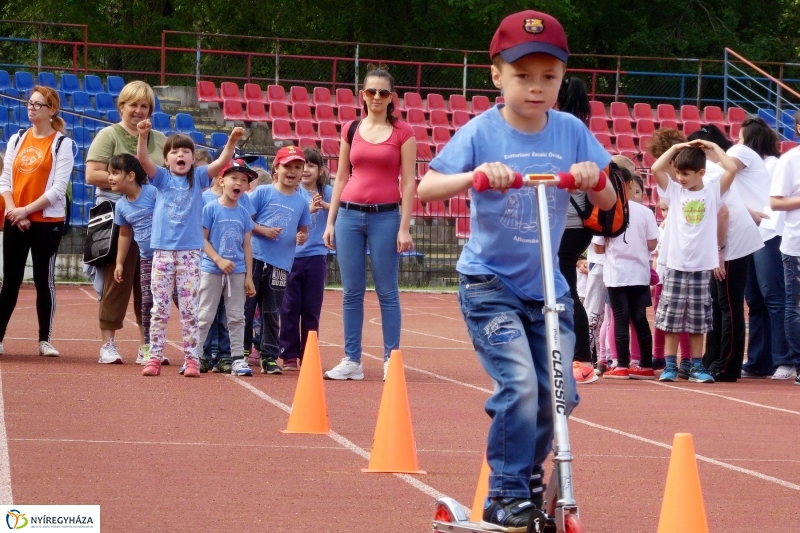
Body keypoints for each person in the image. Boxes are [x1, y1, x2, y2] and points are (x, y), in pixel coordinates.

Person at [417, 10, 616, 530]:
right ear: (496, 75)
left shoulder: (571, 130)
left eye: (548, 77)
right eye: (523, 75)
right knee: (522, 384)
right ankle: (504, 494)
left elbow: (610, 197)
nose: (536, 87)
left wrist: (594, 178)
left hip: (547, 288)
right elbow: (426, 189)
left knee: (560, 392)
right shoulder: (481, 131)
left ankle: (524, 484)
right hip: (490, 284)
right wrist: (476, 175)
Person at [322, 65, 416, 381]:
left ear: (392, 97)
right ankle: (352, 360)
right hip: (348, 215)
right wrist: (330, 222)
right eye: (371, 91)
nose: (377, 97)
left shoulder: (404, 132)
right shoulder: (350, 128)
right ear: (363, 95)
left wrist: (405, 227)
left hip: (386, 216)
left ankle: (391, 358)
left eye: (383, 92)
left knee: (387, 290)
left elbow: (407, 183)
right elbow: (341, 176)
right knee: (351, 291)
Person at [136, 123, 244, 377]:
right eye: (175, 152)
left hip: (190, 254)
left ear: (193, 158)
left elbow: (223, 162)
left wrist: (231, 141)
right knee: (159, 307)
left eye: (186, 151)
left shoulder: (198, 180)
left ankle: (191, 358)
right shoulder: (161, 178)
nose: (180, 155)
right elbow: (142, 158)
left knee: (189, 309)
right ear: (166, 159)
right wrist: (143, 136)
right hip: (162, 252)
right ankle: (154, 356)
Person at [85, 80, 167, 365]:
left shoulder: (160, 138)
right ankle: (108, 344)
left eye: (145, 106)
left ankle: (148, 345)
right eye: (133, 104)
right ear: (122, 106)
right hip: (115, 212)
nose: (138, 110)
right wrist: (125, 179)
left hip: (153, 216)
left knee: (149, 284)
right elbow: (91, 173)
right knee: (115, 279)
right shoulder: (109, 134)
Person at [651, 139, 736, 384]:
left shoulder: (712, 191)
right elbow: (657, 168)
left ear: (701, 173)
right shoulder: (674, 192)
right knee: (672, 319)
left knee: (698, 320)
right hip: (676, 264)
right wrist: (677, 148)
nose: (680, 178)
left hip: (701, 266)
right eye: (678, 172)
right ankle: (670, 365)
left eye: (686, 174)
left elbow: (731, 169)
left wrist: (712, 146)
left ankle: (697, 367)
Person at [0, 86, 75, 357]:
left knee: (45, 280)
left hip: (46, 221)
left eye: (37, 105)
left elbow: (57, 189)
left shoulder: (62, 144)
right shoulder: (17, 138)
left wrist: (26, 211)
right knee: (10, 280)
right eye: (29, 104)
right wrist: (13, 211)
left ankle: (45, 339)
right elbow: (5, 178)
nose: (31, 108)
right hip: (15, 218)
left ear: (51, 110)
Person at [687, 126, 763, 382]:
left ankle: (727, 365)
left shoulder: (709, 175)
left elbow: (721, 213)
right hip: (725, 240)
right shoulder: (708, 172)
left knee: (729, 305)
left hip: (732, 242)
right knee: (719, 305)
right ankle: (712, 360)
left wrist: (718, 254)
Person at [736, 118, 795, 380]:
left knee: (774, 297)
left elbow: (777, 202)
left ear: (751, 142)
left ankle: (785, 359)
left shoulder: (771, 165)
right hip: (750, 236)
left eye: (740, 139)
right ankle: (758, 359)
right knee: (755, 301)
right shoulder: (748, 168)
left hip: (769, 235)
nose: (737, 144)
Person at [247, 146, 311, 375]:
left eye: (297, 167)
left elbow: (303, 231)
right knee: (247, 306)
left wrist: (302, 236)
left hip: (281, 264)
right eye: (287, 166)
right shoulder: (263, 193)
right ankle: (242, 351)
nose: (292, 171)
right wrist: (263, 231)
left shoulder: (302, 202)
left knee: (272, 311)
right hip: (255, 258)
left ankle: (269, 355)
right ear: (277, 168)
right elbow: (246, 221)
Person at [195, 159, 257, 377]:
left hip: (237, 272)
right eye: (234, 178)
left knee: (236, 316)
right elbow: (202, 240)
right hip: (211, 270)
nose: (238, 183)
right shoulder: (210, 208)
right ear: (221, 181)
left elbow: (247, 245)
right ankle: (195, 356)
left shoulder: (243, 213)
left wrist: (249, 276)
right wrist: (218, 259)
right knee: (205, 315)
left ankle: (238, 359)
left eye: (243, 180)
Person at [596, 172, 660, 379]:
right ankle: (646, 365)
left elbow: (597, 248)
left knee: (620, 318)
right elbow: (652, 244)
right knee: (640, 318)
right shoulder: (645, 212)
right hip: (639, 273)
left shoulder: (605, 210)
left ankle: (622, 364)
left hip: (616, 273)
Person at [554, 77, 597, 384]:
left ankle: (581, 356)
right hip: (576, 223)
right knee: (562, 288)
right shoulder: (578, 128)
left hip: (569, 221)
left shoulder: (564, 130)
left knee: (566, 290)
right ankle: (576, 353)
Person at [279, 148, 332, 370]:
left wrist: (327, 206)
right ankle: (289, 354)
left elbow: (342, 212)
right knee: (289, 307)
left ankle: (309, 353)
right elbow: (287, 220)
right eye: (304, 166)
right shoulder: (293, 193)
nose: (307, 170)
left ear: (320, 171)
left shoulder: (328, 192)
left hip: (316, 256)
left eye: (312, 165)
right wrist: (308, 210)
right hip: (292, 257)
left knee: (311, 308)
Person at [109, 154, 157, 364]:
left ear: (130, 175)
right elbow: (125, 234)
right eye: (109, 173)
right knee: (146, 304)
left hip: (167, 258)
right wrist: (119, 262)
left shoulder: (153, 193)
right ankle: (148, 348)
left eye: (114, 173)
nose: (109, 177)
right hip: (146, 259)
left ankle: (197, 349)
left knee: (181, 302)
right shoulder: (121, 206)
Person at [769, 134, 800, 386]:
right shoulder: (789, 160)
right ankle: (798, 364)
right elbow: (775, 202)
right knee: (796, 306)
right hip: (797, 245)